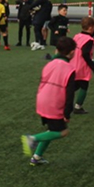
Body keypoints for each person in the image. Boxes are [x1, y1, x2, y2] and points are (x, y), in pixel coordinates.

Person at [20, 36, 77, 166]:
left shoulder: (49, 64)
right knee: (63, 132)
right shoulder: (70, 69)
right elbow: (69, 95)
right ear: (72, 52)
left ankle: (37, 157)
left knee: (50, 130)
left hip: (42, 99)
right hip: (54, 103)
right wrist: (67, 114)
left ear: (56, 50)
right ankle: (32, 139)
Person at [69, 17, 94, 114]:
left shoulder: (77, 36)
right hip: (81, 66)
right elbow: (85, 54)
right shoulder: (89, 39)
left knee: (74, 86)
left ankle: (62, 101)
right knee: (84, 86)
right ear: (91, 28)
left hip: (73, 64)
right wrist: (93, 67)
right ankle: (78, 107)